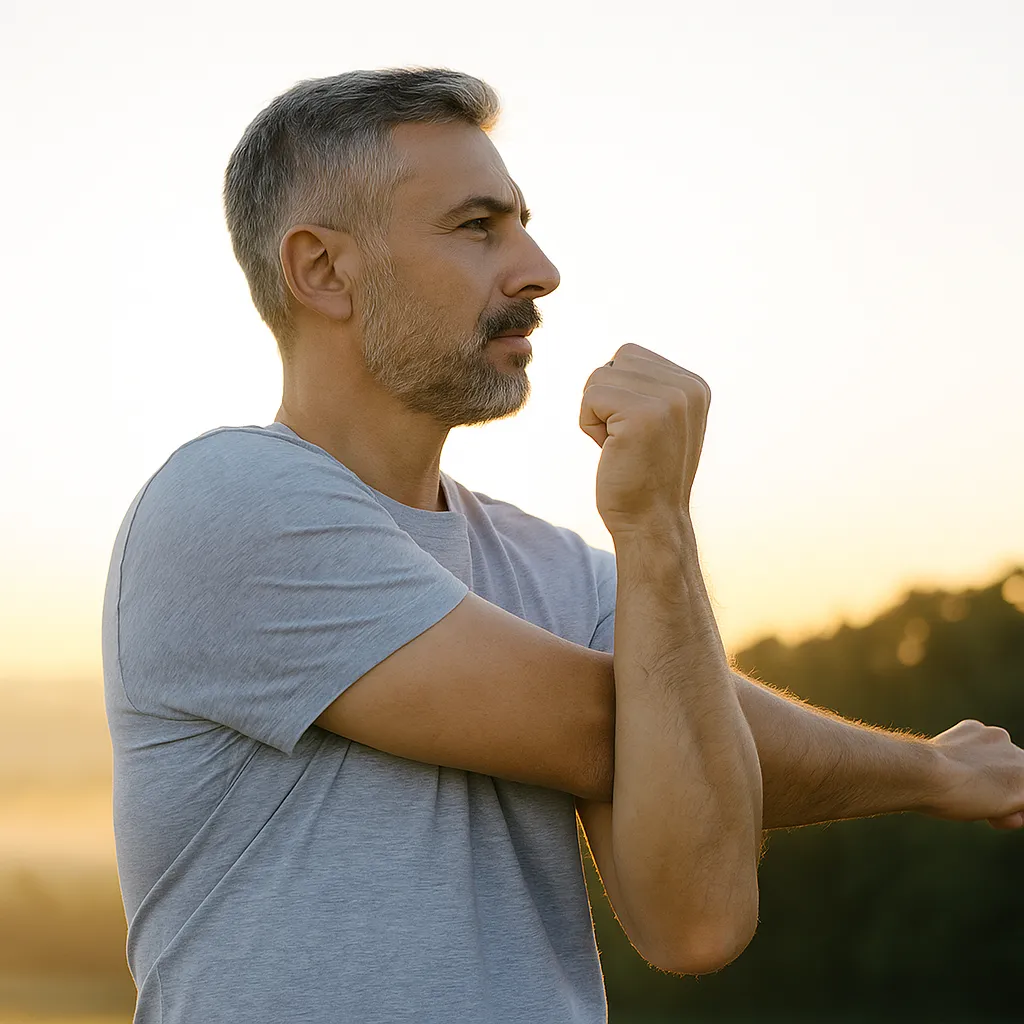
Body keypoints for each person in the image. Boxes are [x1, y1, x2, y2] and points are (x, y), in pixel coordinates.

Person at [102, 67, 1024, 1024]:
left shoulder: (561, 569)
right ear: (323, 270)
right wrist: (929, 771)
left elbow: (696, 920)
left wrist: (655, 537)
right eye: (477, 226)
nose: (538, 269)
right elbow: (620, 728)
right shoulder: (228, 503)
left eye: (521, 224)